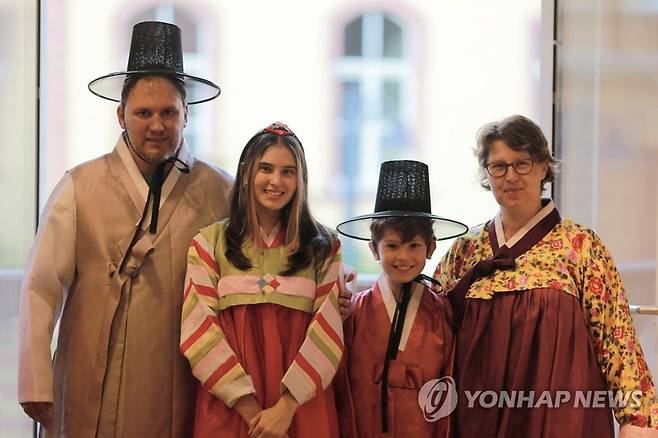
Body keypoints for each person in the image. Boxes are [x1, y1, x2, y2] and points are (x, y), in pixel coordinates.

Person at [18, 21, 233, 437]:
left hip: (181, 382)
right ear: (121, 115)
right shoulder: (81, 186)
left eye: (168, 112)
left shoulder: (220, 192)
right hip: (89, 375)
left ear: (186, 114)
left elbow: (264, 258)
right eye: (143, 113)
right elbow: (40, 287)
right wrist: (35, 380)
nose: (157, 125)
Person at [433, 114, 658, 437]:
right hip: (475, 414)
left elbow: (616, 339)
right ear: (487, 173)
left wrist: (636, 419)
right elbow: (430, 327)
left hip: (560, 416)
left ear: (542, 167)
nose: (511, 176)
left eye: (521, 163)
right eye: (499, 166)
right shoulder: (465, 250)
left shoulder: (580, 246)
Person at [181, 122, 346, 438]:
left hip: (301, 406)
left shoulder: (324, 247)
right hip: (231, 407)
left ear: (300, 179)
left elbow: (328, 329)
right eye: (266, 169)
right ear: (246, 172)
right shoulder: (208, 244)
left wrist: (286, 408)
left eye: (288, 172)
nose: (276, 181)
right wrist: (253, 414)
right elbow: (198, 331)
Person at [334, 160, 468, 437]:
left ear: (431, 247)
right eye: (392, 246)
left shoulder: (443, 313)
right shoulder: (354, 312)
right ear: (374, 249)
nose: (403, 257)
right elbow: (342, 388)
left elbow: (448, 389)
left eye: (414, 245)